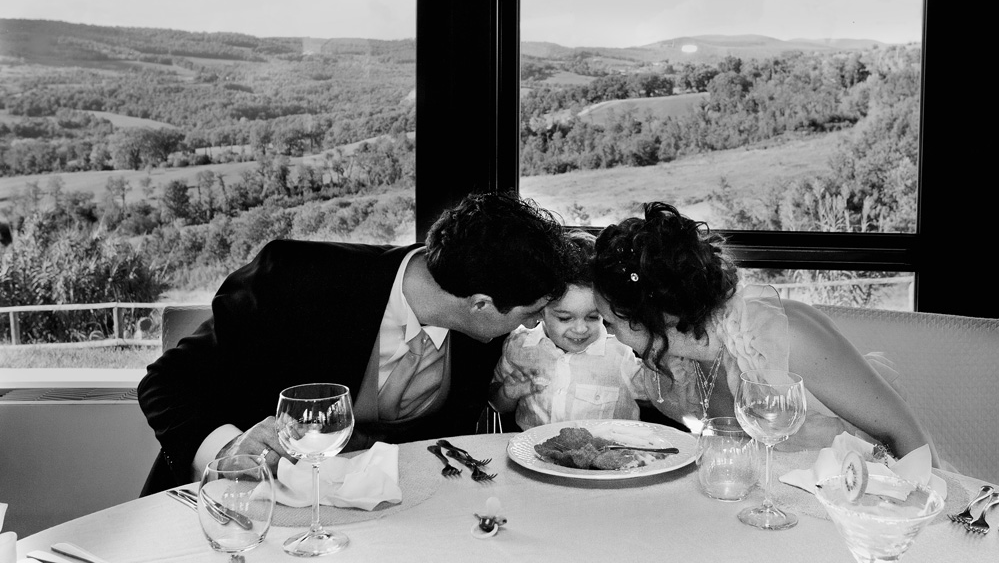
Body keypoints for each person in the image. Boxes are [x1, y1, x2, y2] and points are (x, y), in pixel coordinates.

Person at [137, 190, 574, 494]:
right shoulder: (294, 280)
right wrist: (228, 449)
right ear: (480, 304)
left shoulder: (483, 329)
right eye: (532, 312)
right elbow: (166, 382)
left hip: (390, 525)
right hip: (240, 507)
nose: (534, 324)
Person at [592, 201, 941, 466]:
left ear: (654, 318)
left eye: (610, 323)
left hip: (862, 506)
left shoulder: (784, 336)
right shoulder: (671, 361)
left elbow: (906, 435)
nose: (610, 335)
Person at [489, 233, 641, 430]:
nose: (580, 329)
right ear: (540, 311)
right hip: (532, 448)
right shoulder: (518, 345)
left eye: (593, 317)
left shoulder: (619, 352)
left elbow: (662, 396)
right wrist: (507, 394)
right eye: (565, 318)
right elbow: (496, 404)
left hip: (606, 449)